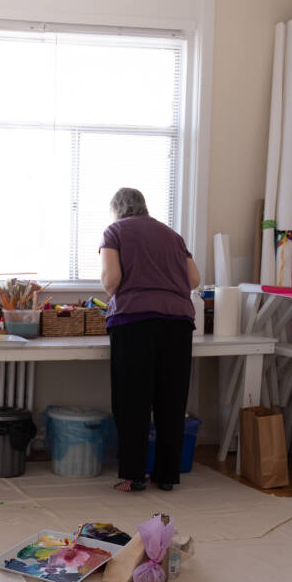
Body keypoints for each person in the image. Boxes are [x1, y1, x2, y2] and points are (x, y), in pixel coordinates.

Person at [99, 187, 201, 492]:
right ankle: (167, 475)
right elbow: (194, 280)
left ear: (117, 209)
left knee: (133, 400)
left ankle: (133, 475)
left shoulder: (115, 231)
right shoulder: (172, 236)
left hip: (134, 321)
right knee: (171, 400)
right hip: (178, 323)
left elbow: (111, 281)